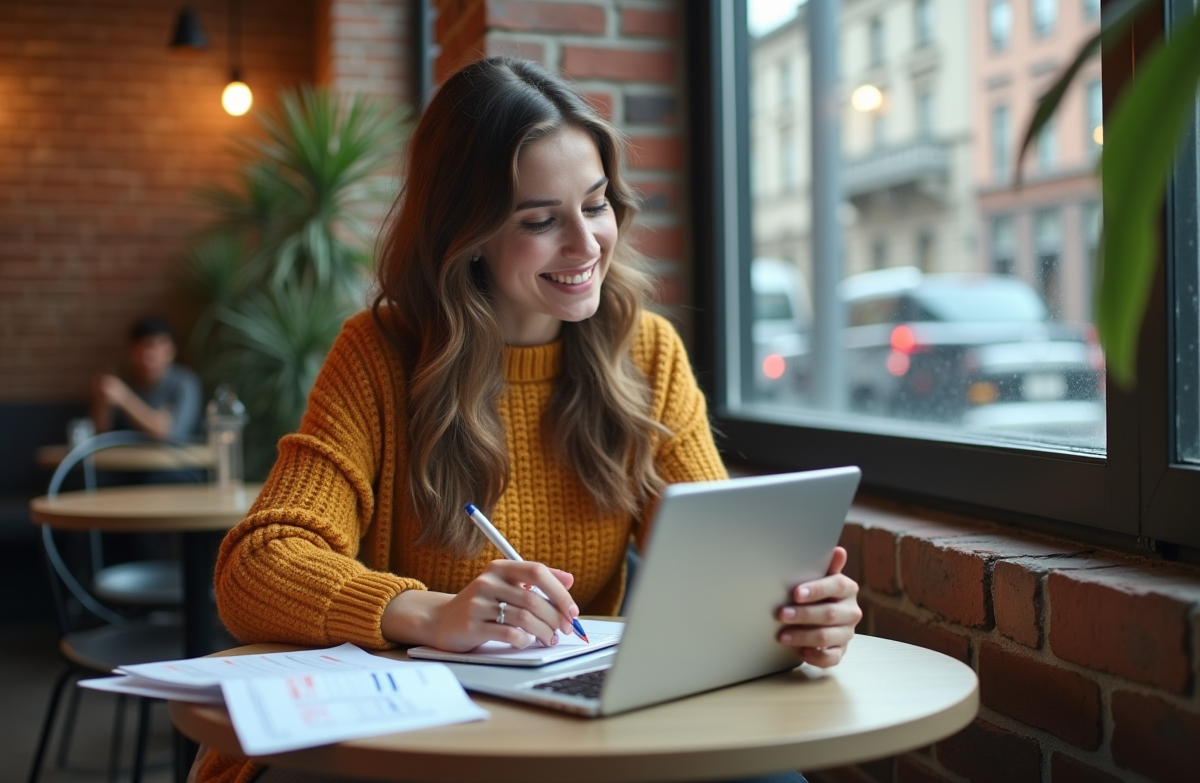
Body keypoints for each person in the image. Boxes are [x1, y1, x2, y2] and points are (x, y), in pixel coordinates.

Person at [199, 57, 861, 783]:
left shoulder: (646, 353)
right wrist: (428, 613)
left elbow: (722, 561)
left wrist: (795, 617)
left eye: (597, 203)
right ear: (469, 233)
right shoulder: (380, 354)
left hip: (570, 732)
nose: (585, 245)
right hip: (402, 737)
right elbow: (254, 569)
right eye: (541, 220)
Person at [91, 316, 202, 443]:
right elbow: (100, 434)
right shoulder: (125, 380)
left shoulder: (184, 382)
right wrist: (101, 402)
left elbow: (169, 434)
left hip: (177, 461)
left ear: (170, 351)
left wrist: (124, 397)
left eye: (153, 346)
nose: (147, 354)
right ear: (131, 351)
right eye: (141, 347)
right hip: (129, 459)